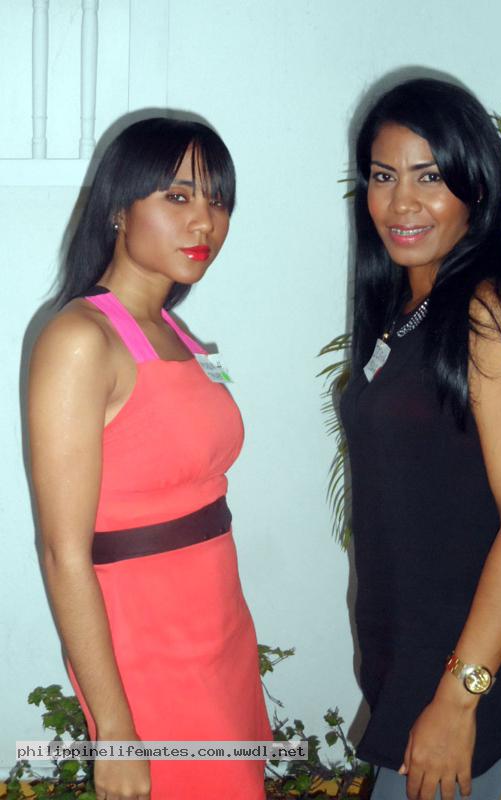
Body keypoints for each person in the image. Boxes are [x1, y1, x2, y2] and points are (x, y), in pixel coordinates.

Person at [339, 78, 501, 800]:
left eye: (430, 177)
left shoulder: (490, 313)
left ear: (475, 185)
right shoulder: (407, 305)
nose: (401, 203)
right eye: (384, 176)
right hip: (415, 657)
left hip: (464, 669)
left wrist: (458, 699)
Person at [28, 117, 271, 800]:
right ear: (118, 207)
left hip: (218, 629)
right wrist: (115, 729)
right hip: (148, 647)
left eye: (218, 201)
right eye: (178, 196)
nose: (205, 222)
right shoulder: (80, 340)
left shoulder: (171, 331)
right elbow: (63, 552)